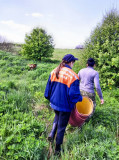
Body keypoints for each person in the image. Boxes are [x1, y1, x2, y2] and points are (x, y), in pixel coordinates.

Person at [44, 54, 82, 155]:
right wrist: (80, 99)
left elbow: (48, 90)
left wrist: (50, 99)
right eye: (74, 62)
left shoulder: (54, 71)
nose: (74, 64)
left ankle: (52, 133)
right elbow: (73, 95)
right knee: (62, 127)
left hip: (54, 102)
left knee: (57, 116)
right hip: (65, 106)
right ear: (71, 62)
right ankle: (57, 149)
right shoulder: (73, 76)